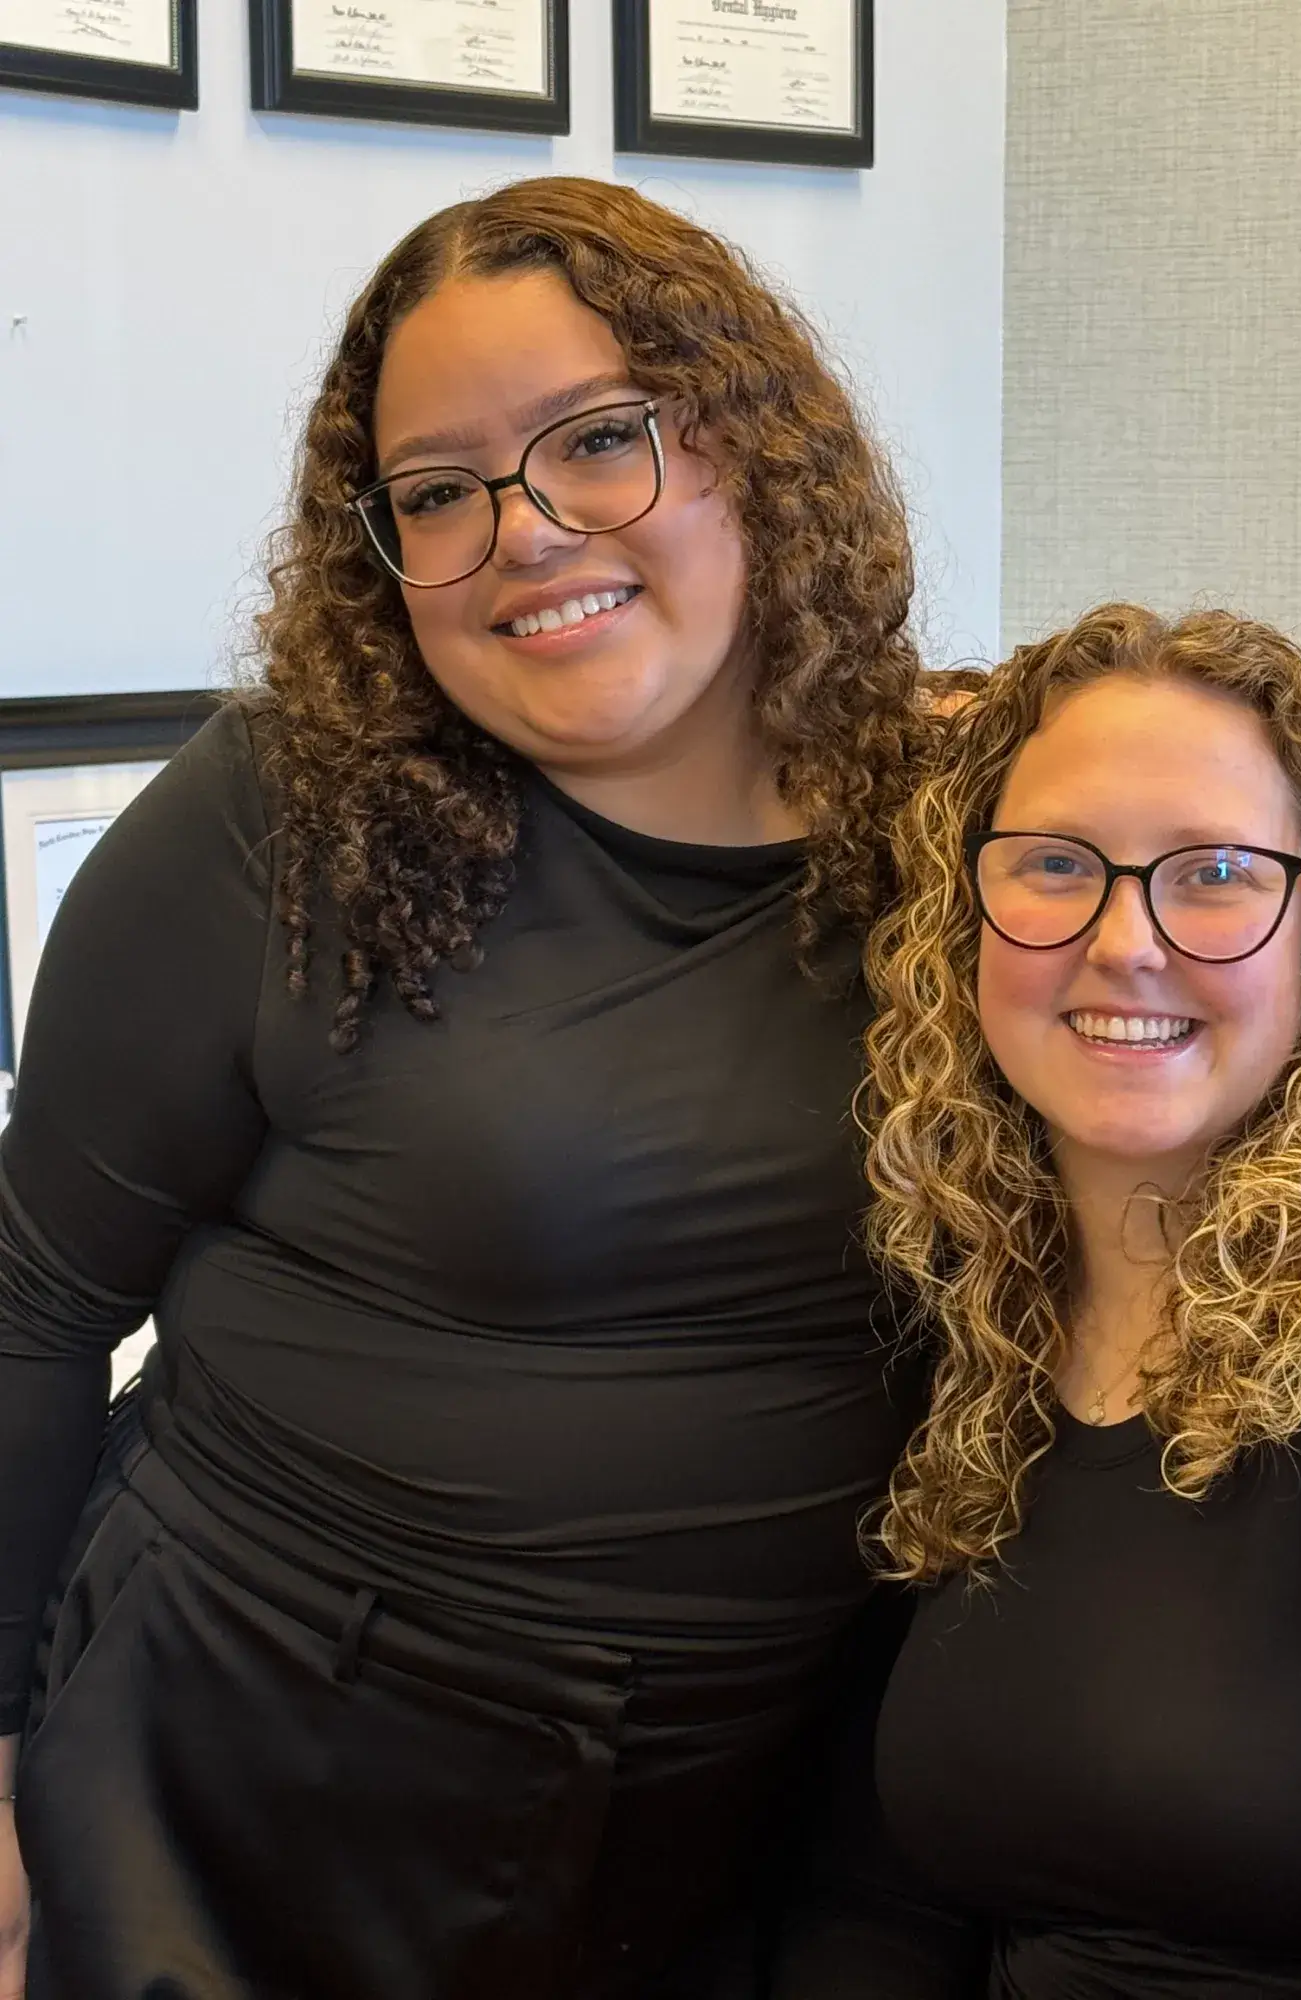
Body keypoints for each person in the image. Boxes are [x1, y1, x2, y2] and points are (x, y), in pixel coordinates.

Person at [0, 176, 953, 2000]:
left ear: (752, 443)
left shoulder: (969, 850)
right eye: (436, 491)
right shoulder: (283, 819)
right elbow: (29, 1305)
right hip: (242, 1782)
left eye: (598, 441)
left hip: (737, 1828)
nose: (524, 530)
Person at [777, 604, 1301, 1998]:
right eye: (1053, 864)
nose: (1124, 939)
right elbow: (880, 1900)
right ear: (962, 917)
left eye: (1214, 872)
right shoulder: (968, 1319)